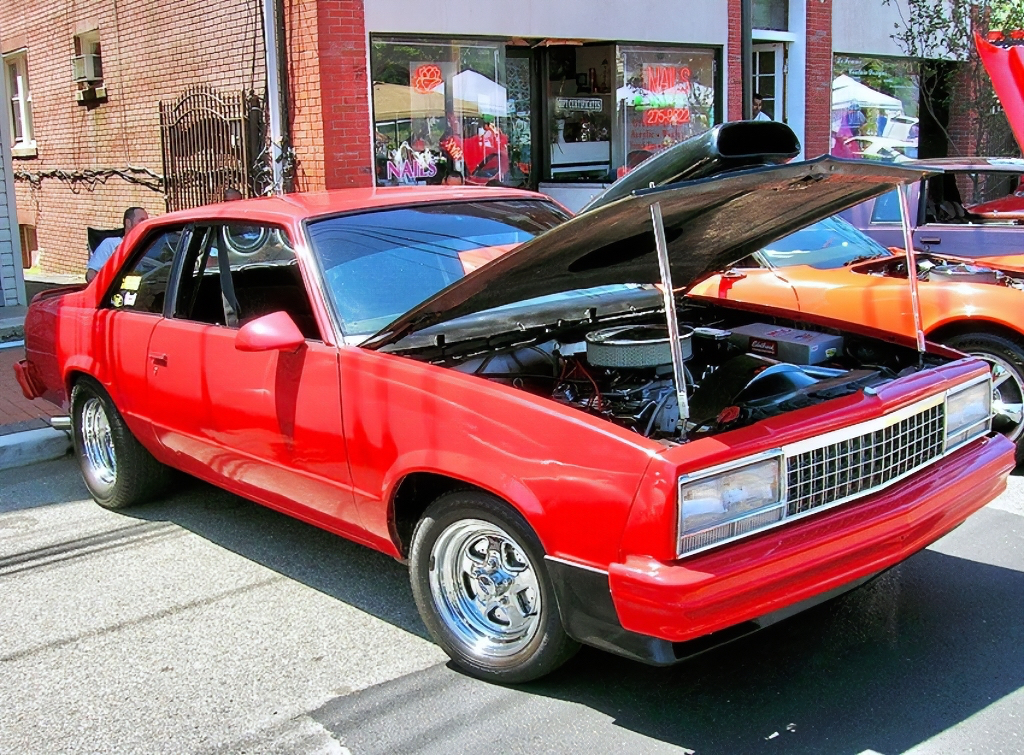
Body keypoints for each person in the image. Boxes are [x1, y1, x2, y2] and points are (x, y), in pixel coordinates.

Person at [86, 207, 149, 282]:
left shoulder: (148, 244)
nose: (145, 224)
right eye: (141, 220)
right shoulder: (110, 244)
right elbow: (91, 275)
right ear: (128, 223)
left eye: (147, 221)